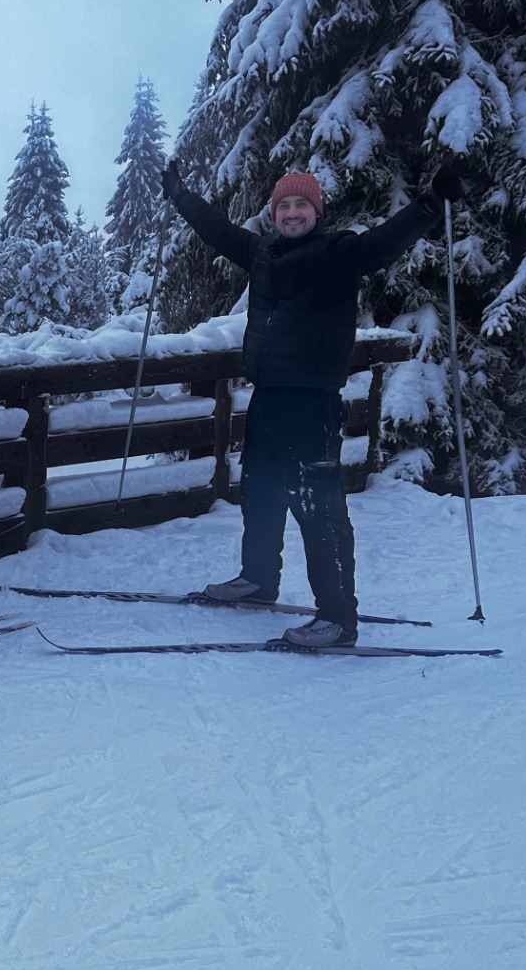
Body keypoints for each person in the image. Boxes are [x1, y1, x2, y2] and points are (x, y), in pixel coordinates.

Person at [162, 161, 463, 647]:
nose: (293, 212)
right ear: (274, 214)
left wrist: (428, 204)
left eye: (303, 204)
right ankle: (259, 579)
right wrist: (180, 196)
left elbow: (383, 243)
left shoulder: (337, 252)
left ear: (317, 212)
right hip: (268, 399)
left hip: (312, 404)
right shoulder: (262, 253)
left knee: (318, 508)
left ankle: (338, 618)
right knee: (260, 494)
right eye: (285, 205)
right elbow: (217, 230)